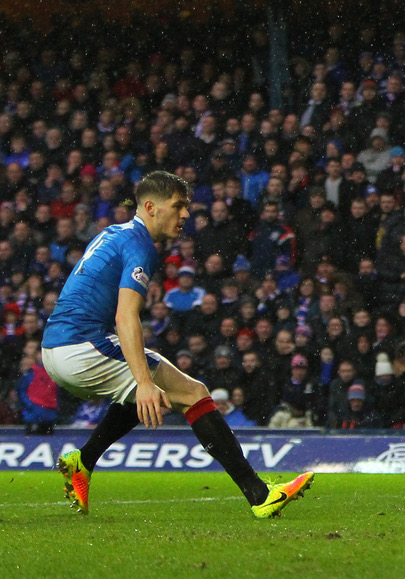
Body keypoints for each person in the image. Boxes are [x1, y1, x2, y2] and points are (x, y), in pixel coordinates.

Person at [40, 172, 312, 518]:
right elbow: (126, 316)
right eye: (178, 205)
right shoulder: (140, 245)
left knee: (153, 388)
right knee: (192, 393)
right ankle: (261, 497)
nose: (185, 214)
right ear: (151, 207)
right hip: (82, 349)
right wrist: (142, 382)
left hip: (56, 347)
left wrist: (143, 383)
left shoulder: (113, 232)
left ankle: (84, 460)